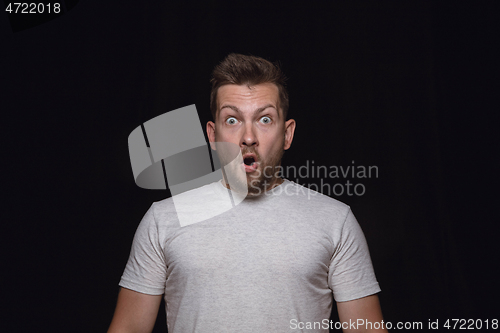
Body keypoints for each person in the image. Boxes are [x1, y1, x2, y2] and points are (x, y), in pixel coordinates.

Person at [108, 53, 388, 333]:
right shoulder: (163, 219)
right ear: (212, 135)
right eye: (232, 120)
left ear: (287, 134)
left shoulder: (335, 220)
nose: (249, 137)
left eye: (265, 119)